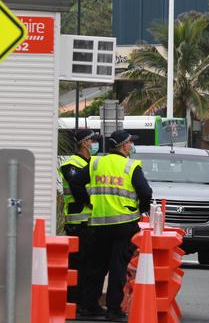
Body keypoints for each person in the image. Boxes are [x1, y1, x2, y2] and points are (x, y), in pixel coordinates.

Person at [71, 130, 152, 321]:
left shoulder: (96, 162)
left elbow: (75, 182)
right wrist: (141, 210)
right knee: (118, 266)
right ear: (124, 145)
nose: (131, 146)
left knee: (97, 265)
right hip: (124, 223)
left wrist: (88, 202)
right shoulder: (130, 166)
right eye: (130, 143)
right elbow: (146, 192)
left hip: (99, 224)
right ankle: (113, 310)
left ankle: (89, 306)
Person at [58, 129, 101, 313]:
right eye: (92, 141)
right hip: (78, 223)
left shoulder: (92, 164)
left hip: (92, 223)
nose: (94, 144)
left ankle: (84, 302)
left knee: (90, 265)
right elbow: (76, 185)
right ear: (84, 143)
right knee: (78, 265)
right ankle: (74, 302)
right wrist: (88, 202)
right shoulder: (70, 164)